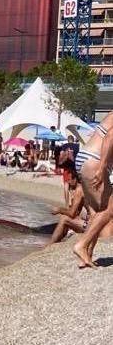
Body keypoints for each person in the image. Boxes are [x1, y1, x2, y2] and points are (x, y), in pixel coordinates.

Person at [72, 111, 113, 267]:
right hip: (95, 160)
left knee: (96, 211)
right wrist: (102, 167)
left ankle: (86, 256)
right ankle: (81, 245)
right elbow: (110, 137)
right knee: (109, 209)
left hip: (86, 157)